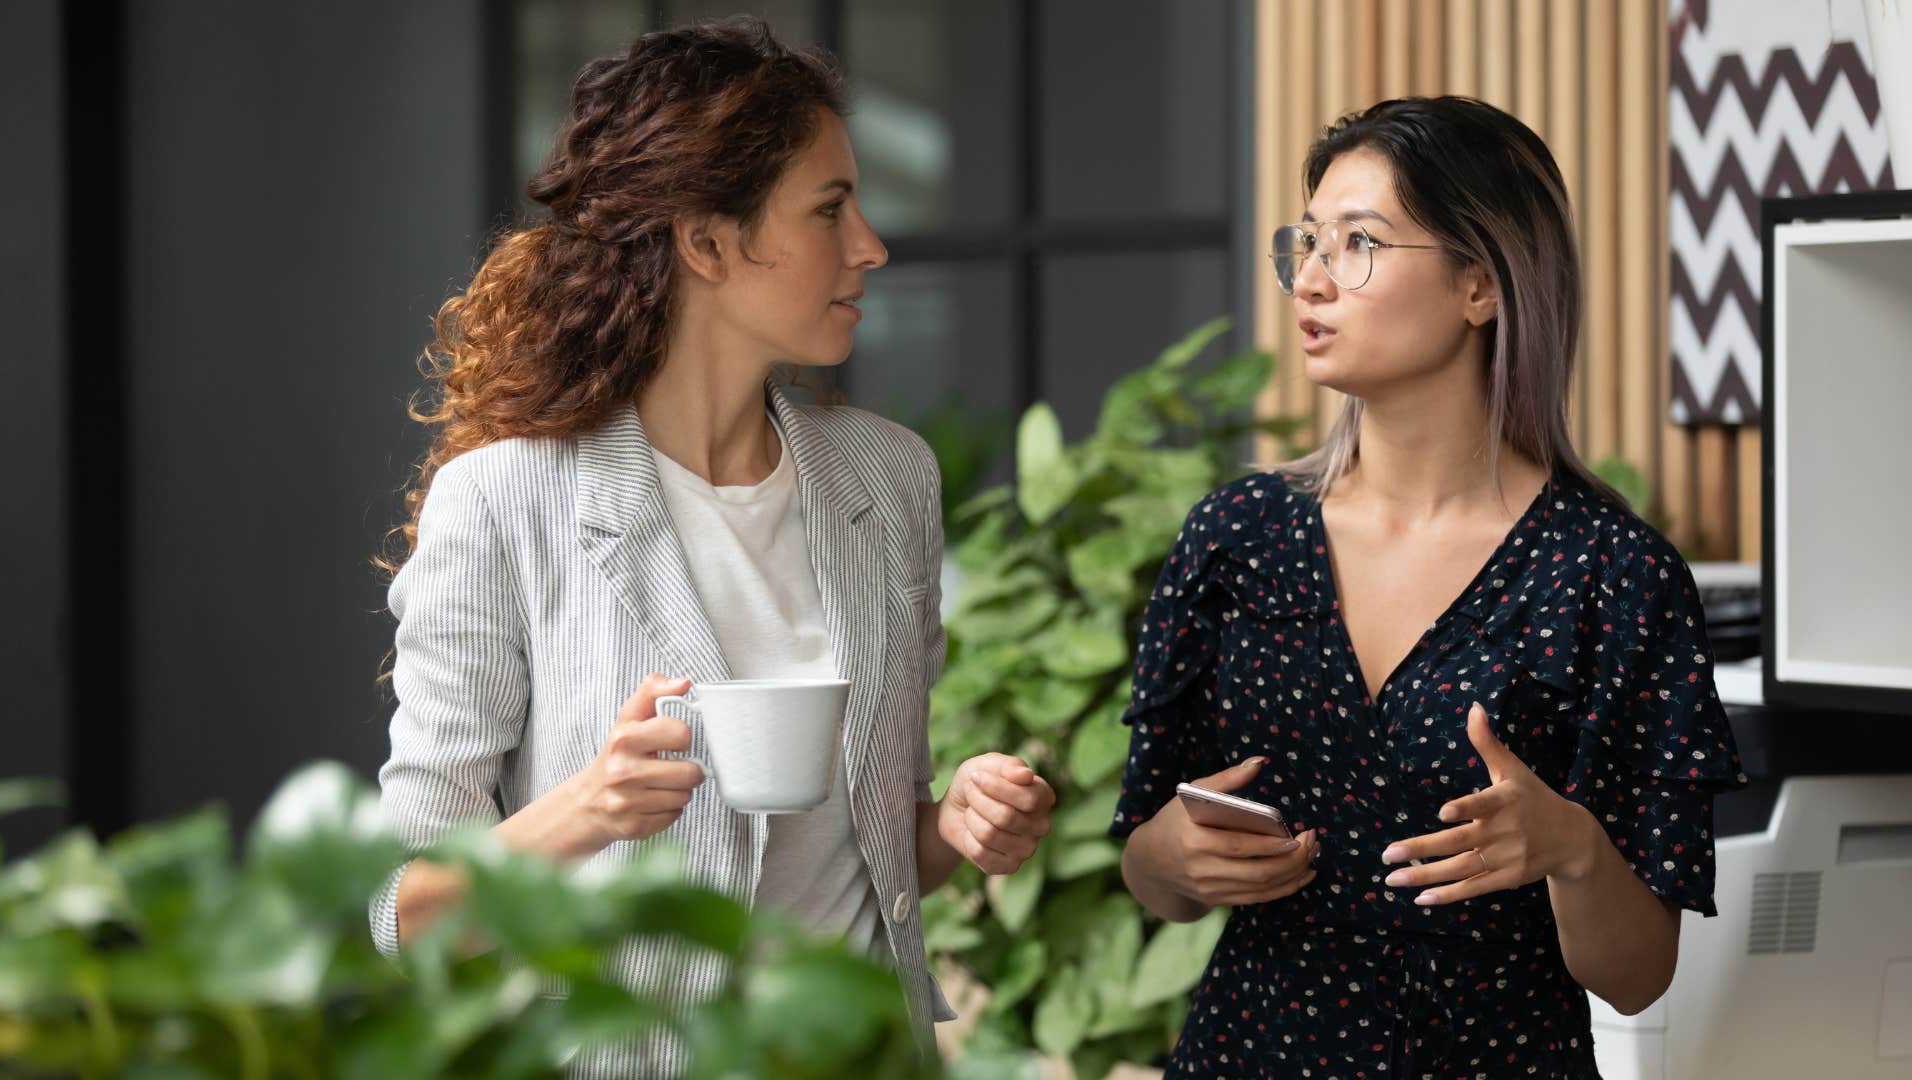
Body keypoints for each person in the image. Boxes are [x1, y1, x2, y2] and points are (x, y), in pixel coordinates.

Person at [368, 18, 1055, 1076]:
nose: (869, 244)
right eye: (830, 209)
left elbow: (880, 845)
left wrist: (955, 823)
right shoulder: (502, 500)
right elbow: (403, 911)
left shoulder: (888, 477)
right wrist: (584, 812)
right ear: (706, 240)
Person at [1110, 96, 1747, 1078]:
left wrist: (1572, 847)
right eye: (1306, 243)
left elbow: (1636, 976)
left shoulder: (1614, 575)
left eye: (1358, 243)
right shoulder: (1236, 537)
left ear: (1479, 285)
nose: (1311, 280)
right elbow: (1152, 874)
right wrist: (1170, 859)